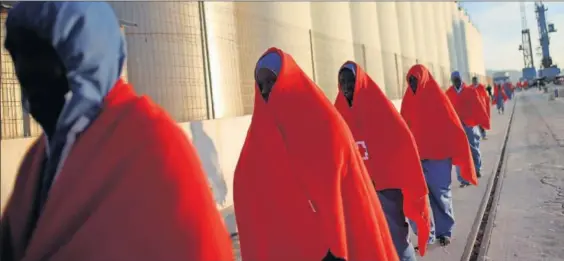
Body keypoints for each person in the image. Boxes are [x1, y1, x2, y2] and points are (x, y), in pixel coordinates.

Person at [0, 2, 233, 261]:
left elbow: (195, 247)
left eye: (37, 53)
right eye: (16, 55)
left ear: (84, 55)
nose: (24, 71)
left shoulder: (151, 143)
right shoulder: (40, 158)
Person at [233, 48, 398, 261]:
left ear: (288, 80)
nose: (265, 90)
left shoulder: (326, 124)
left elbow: (346, 192)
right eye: (260, 84)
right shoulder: (258, 135)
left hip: (334, 245)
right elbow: (248, 184)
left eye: (271, 82)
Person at [334, 61, 430, 260]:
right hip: (359, 189)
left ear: (359, 81)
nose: (346, 86)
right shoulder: (339, 111)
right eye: (342, 82)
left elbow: (402, 138)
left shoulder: (378, 105)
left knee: (396, 236)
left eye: (350, 81)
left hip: (385, 186)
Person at [401, 65, 478, 248]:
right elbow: (402, 127)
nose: (412, 84)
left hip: (438, 157)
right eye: (410, 81)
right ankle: (425, 235)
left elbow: (452, 124)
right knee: (416, 198)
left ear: (424, 79)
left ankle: (444, 232)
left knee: (441, 196)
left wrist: (458, 148)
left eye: (415, 80)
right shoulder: (407, 101)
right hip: (416, 158)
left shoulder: (437, 97)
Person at [446, 71, 490, 187]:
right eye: (454, 79)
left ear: (461, 79)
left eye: (458, 79)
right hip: (456, 126)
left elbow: (478, 105)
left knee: (473, 148)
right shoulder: (449, 93)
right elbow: (444, 109)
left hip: (469, 124)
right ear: (452, 80)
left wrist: (482, 119)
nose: (456, 81)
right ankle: (463, 178)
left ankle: (476, 169)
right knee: (459, 152)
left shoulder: (470, 91)